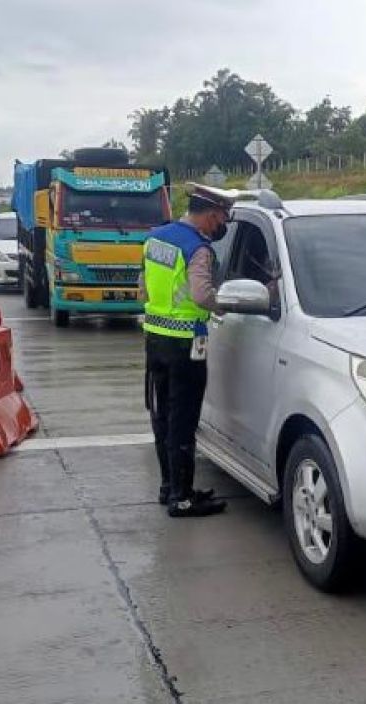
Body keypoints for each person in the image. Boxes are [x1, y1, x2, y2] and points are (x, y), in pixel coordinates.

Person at [140, 184, 233, 517]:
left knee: (162, 415)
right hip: (187, 344)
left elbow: (143, 288)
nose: (220, 225)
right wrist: (222, 306)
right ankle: (183, 498)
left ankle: (169, 488)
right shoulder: (198, 248)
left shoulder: (155, 238)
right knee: (184, 418)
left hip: (155, 340)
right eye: (221, 218)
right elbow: (200, 295)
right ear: (209, 215)